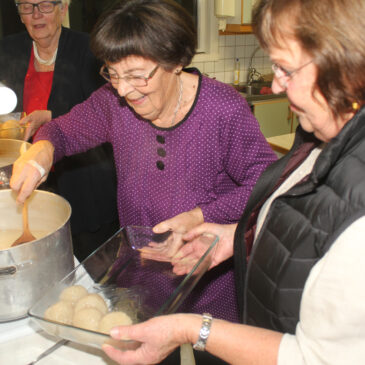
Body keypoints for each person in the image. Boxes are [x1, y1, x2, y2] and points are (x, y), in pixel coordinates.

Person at [94, 0, 365, 364]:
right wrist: (234, 237)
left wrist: (191, 330)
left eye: (285, 69)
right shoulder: (319, 144)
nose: (275, 86)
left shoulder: (358, 216)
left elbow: (314, 356)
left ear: (343, 67)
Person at [10, 0, 276, 325]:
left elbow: (267, 184)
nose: (123, 90)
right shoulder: (113, 102)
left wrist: (201, 215)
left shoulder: (224, 110)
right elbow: (63, 129)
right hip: (140, 278)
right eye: (113, 73)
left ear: (175, 61)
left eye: (137, 76)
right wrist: (43, 149)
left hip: (209, 281)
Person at [0, 0, 119, 260]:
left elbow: (105, 109)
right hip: (28, 175)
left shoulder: (89, 49)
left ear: (62, 9)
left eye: (44, 5)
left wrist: (52, 116)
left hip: (84, 178)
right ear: (19, 14)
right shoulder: (9, 49)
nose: (36, 14)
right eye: (27, 7)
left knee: (90, 261)